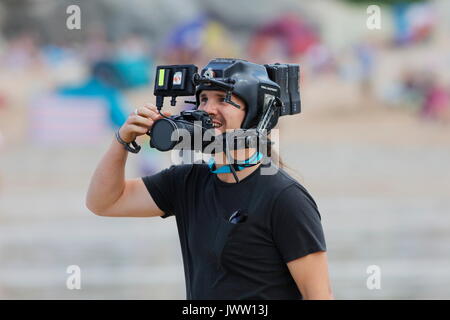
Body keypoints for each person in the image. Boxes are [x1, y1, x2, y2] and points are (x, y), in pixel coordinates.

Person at [86, 59, 333, 300]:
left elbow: (319, 295)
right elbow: (104, 202)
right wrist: (122, 140)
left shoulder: (285, 198)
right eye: (203, 99)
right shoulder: (187, 181)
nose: (207, 110)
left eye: (223, 99)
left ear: (254, 112)